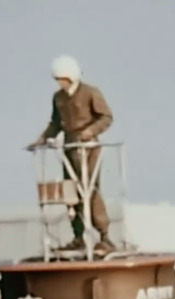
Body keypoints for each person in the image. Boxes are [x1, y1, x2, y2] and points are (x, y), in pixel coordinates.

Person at [31, 55, 115, 253]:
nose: (59, 83)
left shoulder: (90, 92)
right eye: (57, 79)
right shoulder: (58, 98)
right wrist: (43, 138)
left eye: (62, 79)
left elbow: (106, 117)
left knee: (89, 189)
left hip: (88, 148)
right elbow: (55, 123)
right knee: (71, 192)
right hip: (69, 147)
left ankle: (104, 237)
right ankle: (78, 236)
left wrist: (90, 132)